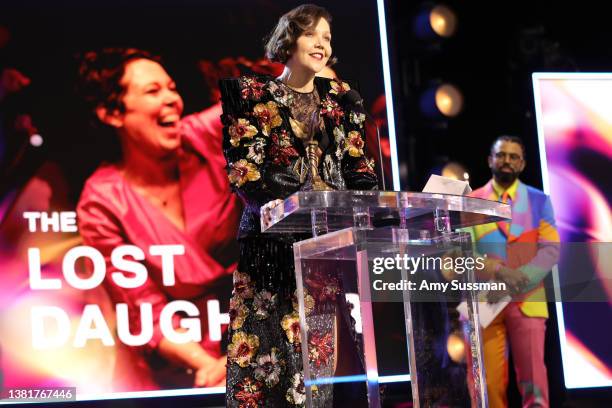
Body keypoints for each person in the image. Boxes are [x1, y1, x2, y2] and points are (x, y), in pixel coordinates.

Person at [219, 4, 377, 407]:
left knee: (320, 373)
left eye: (327, 37)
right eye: (312, 35)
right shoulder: (251, 95)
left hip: (325, 253)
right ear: (289, 39)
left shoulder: (344, 99)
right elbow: (246, 174)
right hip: (271, 252)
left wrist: (357, 205)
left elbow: (360, 172)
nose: (322, 44)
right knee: (268, 367)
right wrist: (303, 198)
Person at [76, 48, 242, 390]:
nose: (172, 99)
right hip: (182, 370)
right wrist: (210, 367)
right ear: (111, 113)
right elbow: (146, 313)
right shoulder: (101, 202)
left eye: (171, 87)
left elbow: (284, 97)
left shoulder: (204, 135)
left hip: (257, 336)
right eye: (153, 91)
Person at [469, 135, 559, 408]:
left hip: (527, 299)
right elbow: (463, 253)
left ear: (522, 164)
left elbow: (551, 250)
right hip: (486, 301)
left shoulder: (539, 200)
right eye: (501, 155)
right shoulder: (470, 201)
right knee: (487, 385)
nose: (506, 160)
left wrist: (517, 280)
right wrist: (498, 272)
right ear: (490, 160)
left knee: (534, 382)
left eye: (513, 156)